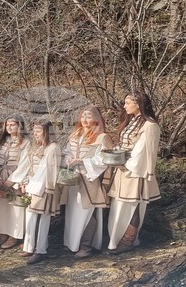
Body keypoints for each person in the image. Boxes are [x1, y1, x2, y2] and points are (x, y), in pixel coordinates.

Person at [108, 91, 161, 255]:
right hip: (123, 169)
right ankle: (116, 240)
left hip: (135, 171)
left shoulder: (150, 125)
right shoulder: (133, 121)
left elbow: (143, 151)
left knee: (133, 206)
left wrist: (124, 163)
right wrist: (113, 155)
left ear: (137, 104)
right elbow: (124, 144)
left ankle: (128, 240)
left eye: (127, 102)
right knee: (119, 206)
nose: (124, 106)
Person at [63, 106, 113, 258]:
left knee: (87, 211)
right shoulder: (75, 134)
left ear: (96, 119)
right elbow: (66, 152)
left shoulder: (102, 137)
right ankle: (72, 243)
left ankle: (86, 246)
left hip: (90, 179)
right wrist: (68, 159)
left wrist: (83, 161)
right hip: (73, 178)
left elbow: (105, 159)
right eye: (83, 116)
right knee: (73, 212)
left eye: (89, 116)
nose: (85, 120)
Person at [11, 120, 61, 265]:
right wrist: (24, 181)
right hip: (32, 185)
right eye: (35, 130)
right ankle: (29, 246)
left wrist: (37, 186)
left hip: (44, 188)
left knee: (42, 219)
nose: (35, 134)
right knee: (30, 217)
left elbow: (48, 171)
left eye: (39, 131)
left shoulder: (53, 148)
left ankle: (40, 250)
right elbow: (29, 166)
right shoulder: (35, 146)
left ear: (47, 133)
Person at [0, 116, 30, 250]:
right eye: (7, 125)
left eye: (13, 124)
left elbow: (25, 163)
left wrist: (13, 179)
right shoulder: (3, 142)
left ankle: (14, 235)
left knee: (15, 207)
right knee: (3, 207)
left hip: (15, 178)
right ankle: (3, 232)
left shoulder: (26, 143)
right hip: (1, 175)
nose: (9, 127)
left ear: (20, 126)